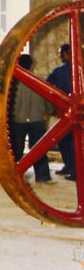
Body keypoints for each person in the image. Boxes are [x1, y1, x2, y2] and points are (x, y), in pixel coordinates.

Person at [9, 54, 51, 182]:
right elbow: (49, 102)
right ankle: (42, 176)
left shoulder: (12, 84)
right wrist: (48, 111)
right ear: (32, 65)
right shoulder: (40, 81)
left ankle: (13, 177)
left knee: (15, 150)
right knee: (39, 150)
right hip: (37, 119)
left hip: (18, 120)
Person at [47, 43, 75, 180]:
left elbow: (47, 85)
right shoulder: (80, 69)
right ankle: (71, 168)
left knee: (65, 141)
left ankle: (73, 169)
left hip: (66, 112)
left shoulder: (59, 71)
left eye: (60, 53)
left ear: (65, 54)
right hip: (78, 112)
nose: (59, 56)